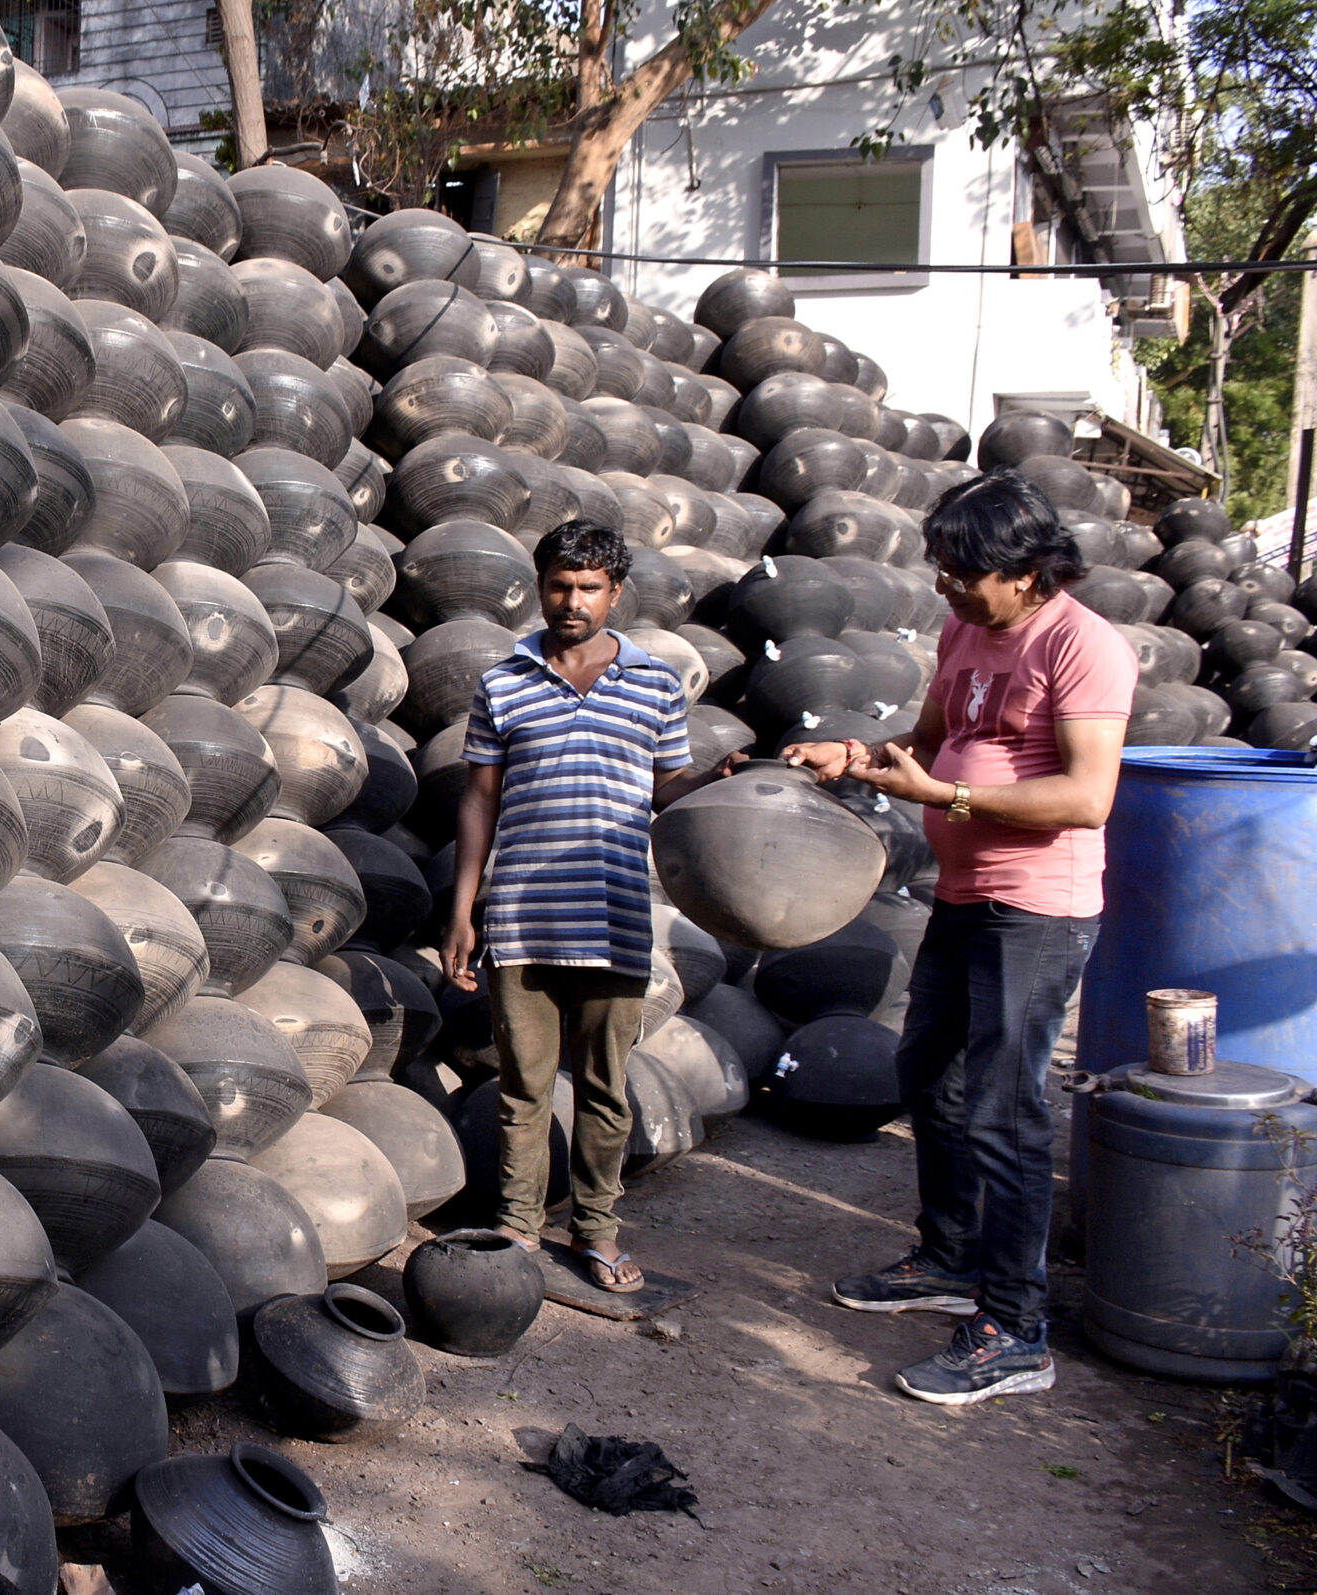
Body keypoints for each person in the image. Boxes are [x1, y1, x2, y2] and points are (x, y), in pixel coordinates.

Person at [791, 468, 1135, 1406]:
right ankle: (948, 1259)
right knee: (927, 1075)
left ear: (1025, 571)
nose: (945, 586)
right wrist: (859, 757)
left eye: (960, 571)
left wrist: (946, 798)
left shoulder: (1084, 646)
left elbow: (1086, 794)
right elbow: (928, 740)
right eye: (940, 569)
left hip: (1041, 905)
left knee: (1005, 1109)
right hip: (965, 890)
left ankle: (1016, 1325)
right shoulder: (965, 630)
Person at [440, 520, 745, 1293]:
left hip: (614, 914)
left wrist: (714, 778)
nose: (571, 601)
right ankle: (516, 1225)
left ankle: (597, 1229)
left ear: (615, 593)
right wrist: (464, 909)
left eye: (588, 588)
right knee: (523, 1087)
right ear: (540, 585)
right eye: (558, 585)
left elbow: (665, 787)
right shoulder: (503, 682)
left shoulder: (653, 684)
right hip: (523, 912)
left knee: (606, 1085)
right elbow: (480, 800)